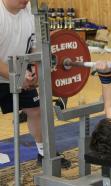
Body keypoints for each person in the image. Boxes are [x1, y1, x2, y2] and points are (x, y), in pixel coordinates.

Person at [0, 0, 71, 168]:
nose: (26, 0)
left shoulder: (30, 14)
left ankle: (45, 153)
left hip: (18, 71)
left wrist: (33, 72)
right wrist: (17, 77)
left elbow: (34, 49)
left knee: (36, 110)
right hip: (10, 72)